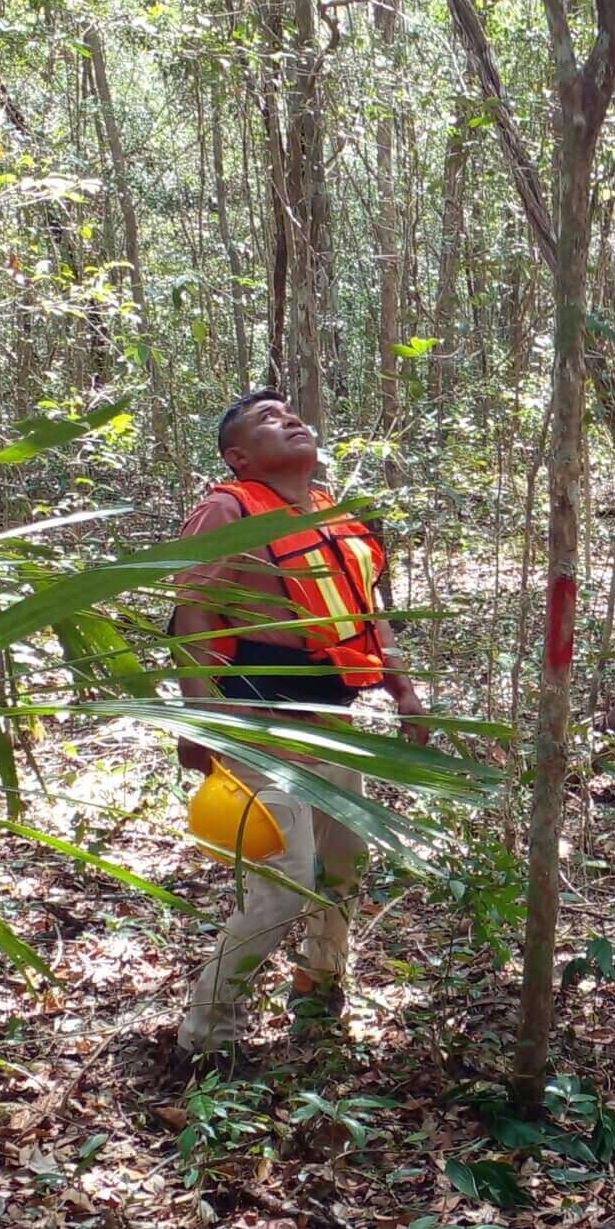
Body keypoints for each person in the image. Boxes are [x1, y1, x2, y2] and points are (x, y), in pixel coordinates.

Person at [168, 391, 429, 1061]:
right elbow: (191, 613)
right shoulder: (226, 509)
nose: (287, 419)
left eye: (290, 413)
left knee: (345, 865)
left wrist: (403, 689)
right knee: (285, 883)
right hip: (261, 723)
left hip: (336, 717)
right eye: (266, 421)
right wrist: (201, 718)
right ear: (239, 456)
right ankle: (204, 1038)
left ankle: (319, 998)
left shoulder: (332, 513)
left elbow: (367, 612)